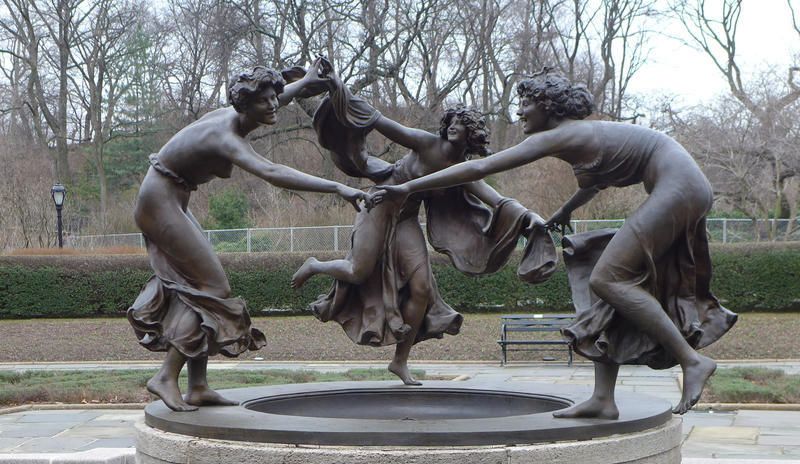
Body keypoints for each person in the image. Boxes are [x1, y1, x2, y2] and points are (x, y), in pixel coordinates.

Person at [374, 68, 737, 415]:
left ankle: (693, 361)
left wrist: (407, 186)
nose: (519, 112)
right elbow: (592, 184)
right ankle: (603, 399)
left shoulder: (562, 135)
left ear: (547, 105)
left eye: (526, 103)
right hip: (681, 187)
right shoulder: (581, 139)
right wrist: (564, 212)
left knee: (607, 279)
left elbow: (481, 168)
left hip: (678, 187)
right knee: (597, 276)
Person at [129, 60, 370, 411]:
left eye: (275, 97)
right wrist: (338, 188)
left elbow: (275, 98)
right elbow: (271, 171)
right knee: (214, 289)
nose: (273, 105)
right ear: (246, 105)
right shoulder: (225, 136)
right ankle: (166, 376)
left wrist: (306, 83)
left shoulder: (240, 113)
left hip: (172, 198)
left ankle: (197, 386)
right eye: (265, 101)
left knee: (203, 288)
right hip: (159, 202)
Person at [291, 70, 550, 386]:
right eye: (451, 121)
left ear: (472, 135)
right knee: (358, 271)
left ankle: (400, 361)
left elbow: (498, 201)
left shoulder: (465, 170)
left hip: (407, 220)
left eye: (461, 123)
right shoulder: (426, 143)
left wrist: (530, 219)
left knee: (423, 290)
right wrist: (338, 88)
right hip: (379, 207)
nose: (453, 125)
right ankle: (316, 266)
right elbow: (381, 122)